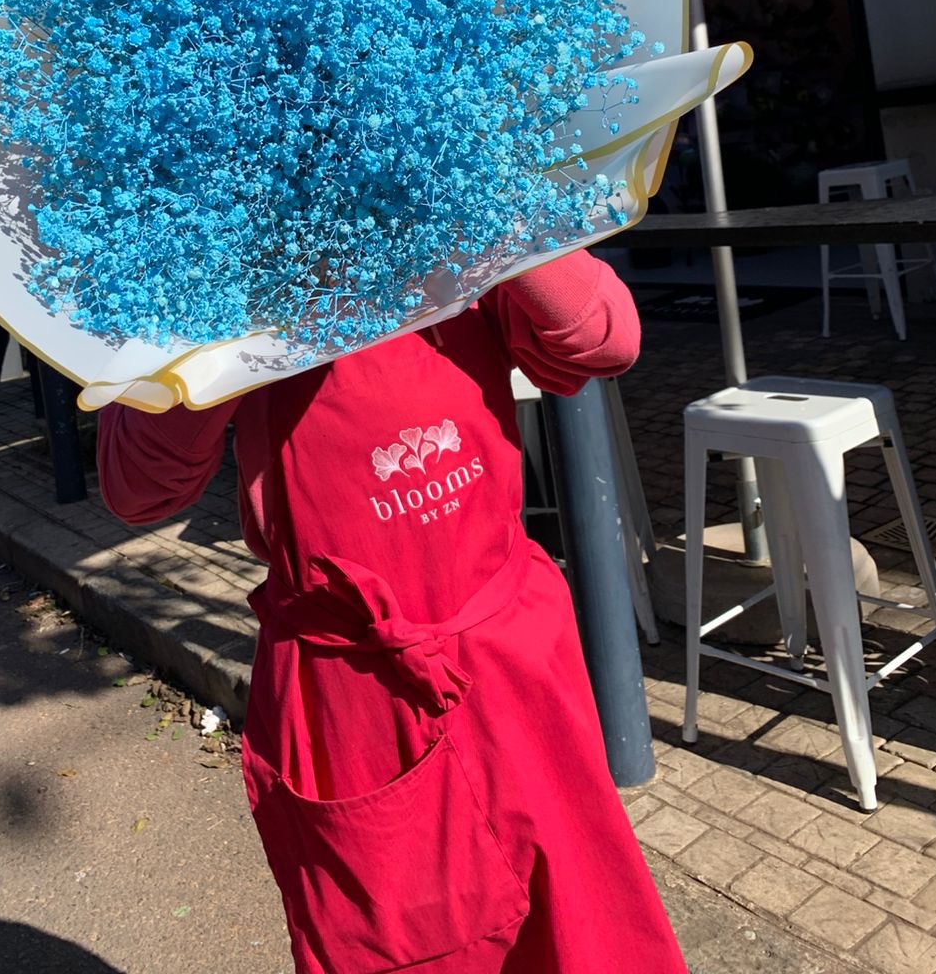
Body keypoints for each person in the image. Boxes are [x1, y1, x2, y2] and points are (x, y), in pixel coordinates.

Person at [97, 248, 686, 973]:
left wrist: (489, 208)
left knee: (584, 923)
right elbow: (136, 486)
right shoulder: (211, 257)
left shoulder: (460, 223)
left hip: (513, 655)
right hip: (351, 695)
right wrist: (216, 298)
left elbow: (603, 337)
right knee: (403, 942)